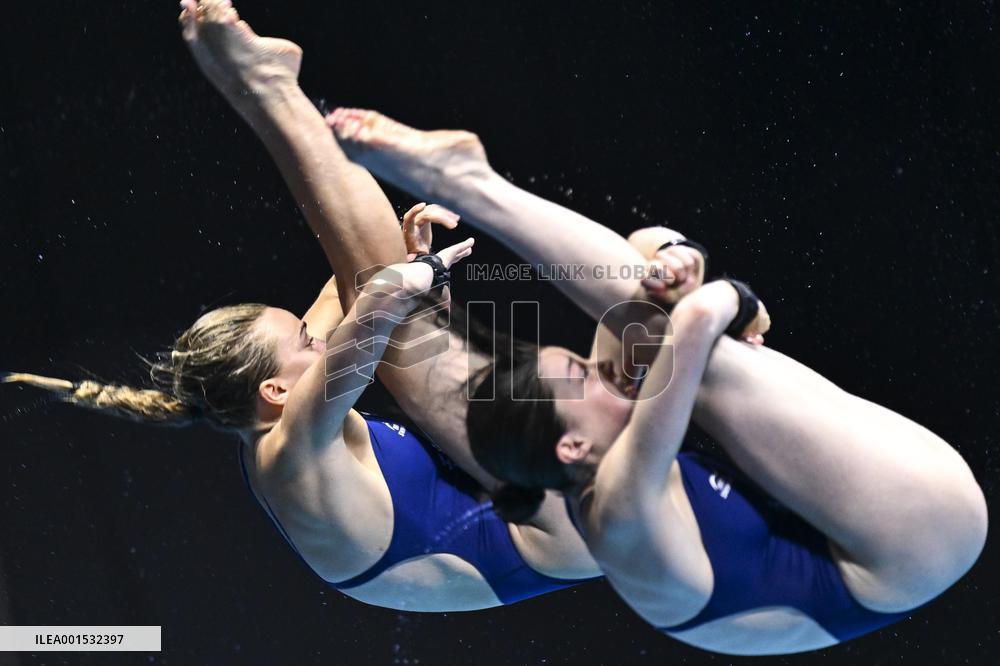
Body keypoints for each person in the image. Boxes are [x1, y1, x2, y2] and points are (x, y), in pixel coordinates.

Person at [1, 0, 603, 613]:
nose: (316, 336)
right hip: (551, 531)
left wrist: (400, 247)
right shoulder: (288, 453)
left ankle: (265, 89)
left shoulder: (275, 406)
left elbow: (345, 294)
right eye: (305, 341)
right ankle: (272, 91)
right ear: (276, 392)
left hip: (515, 494)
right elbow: (369, 320)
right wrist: (418, 269)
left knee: (382, 302)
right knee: (393, 334)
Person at [324, 111, 989, 654]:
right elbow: (698, 319)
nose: (599, 370)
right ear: (570, 448)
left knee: (649, 292)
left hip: (860, 521)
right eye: (583, 376)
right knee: (705, 363)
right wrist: (720, 291)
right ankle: (472, 187)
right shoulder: (617, 511)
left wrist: (679, 264)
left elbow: (653, 257)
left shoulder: (593, 445)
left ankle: (475, 184)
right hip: (917, 543)